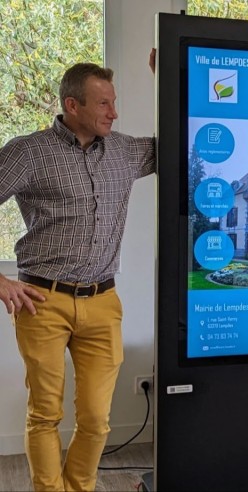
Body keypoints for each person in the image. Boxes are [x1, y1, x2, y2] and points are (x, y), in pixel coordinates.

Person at [0, 55, 156, 491]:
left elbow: (185, 138)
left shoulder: (125, 151)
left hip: (103, 302)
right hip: (42, 301)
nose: (114, 113)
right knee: (45, 414)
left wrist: (168, 75)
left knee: (96, 418)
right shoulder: (28, 152)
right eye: (104, 103)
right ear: (72, 105)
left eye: (114, 102)